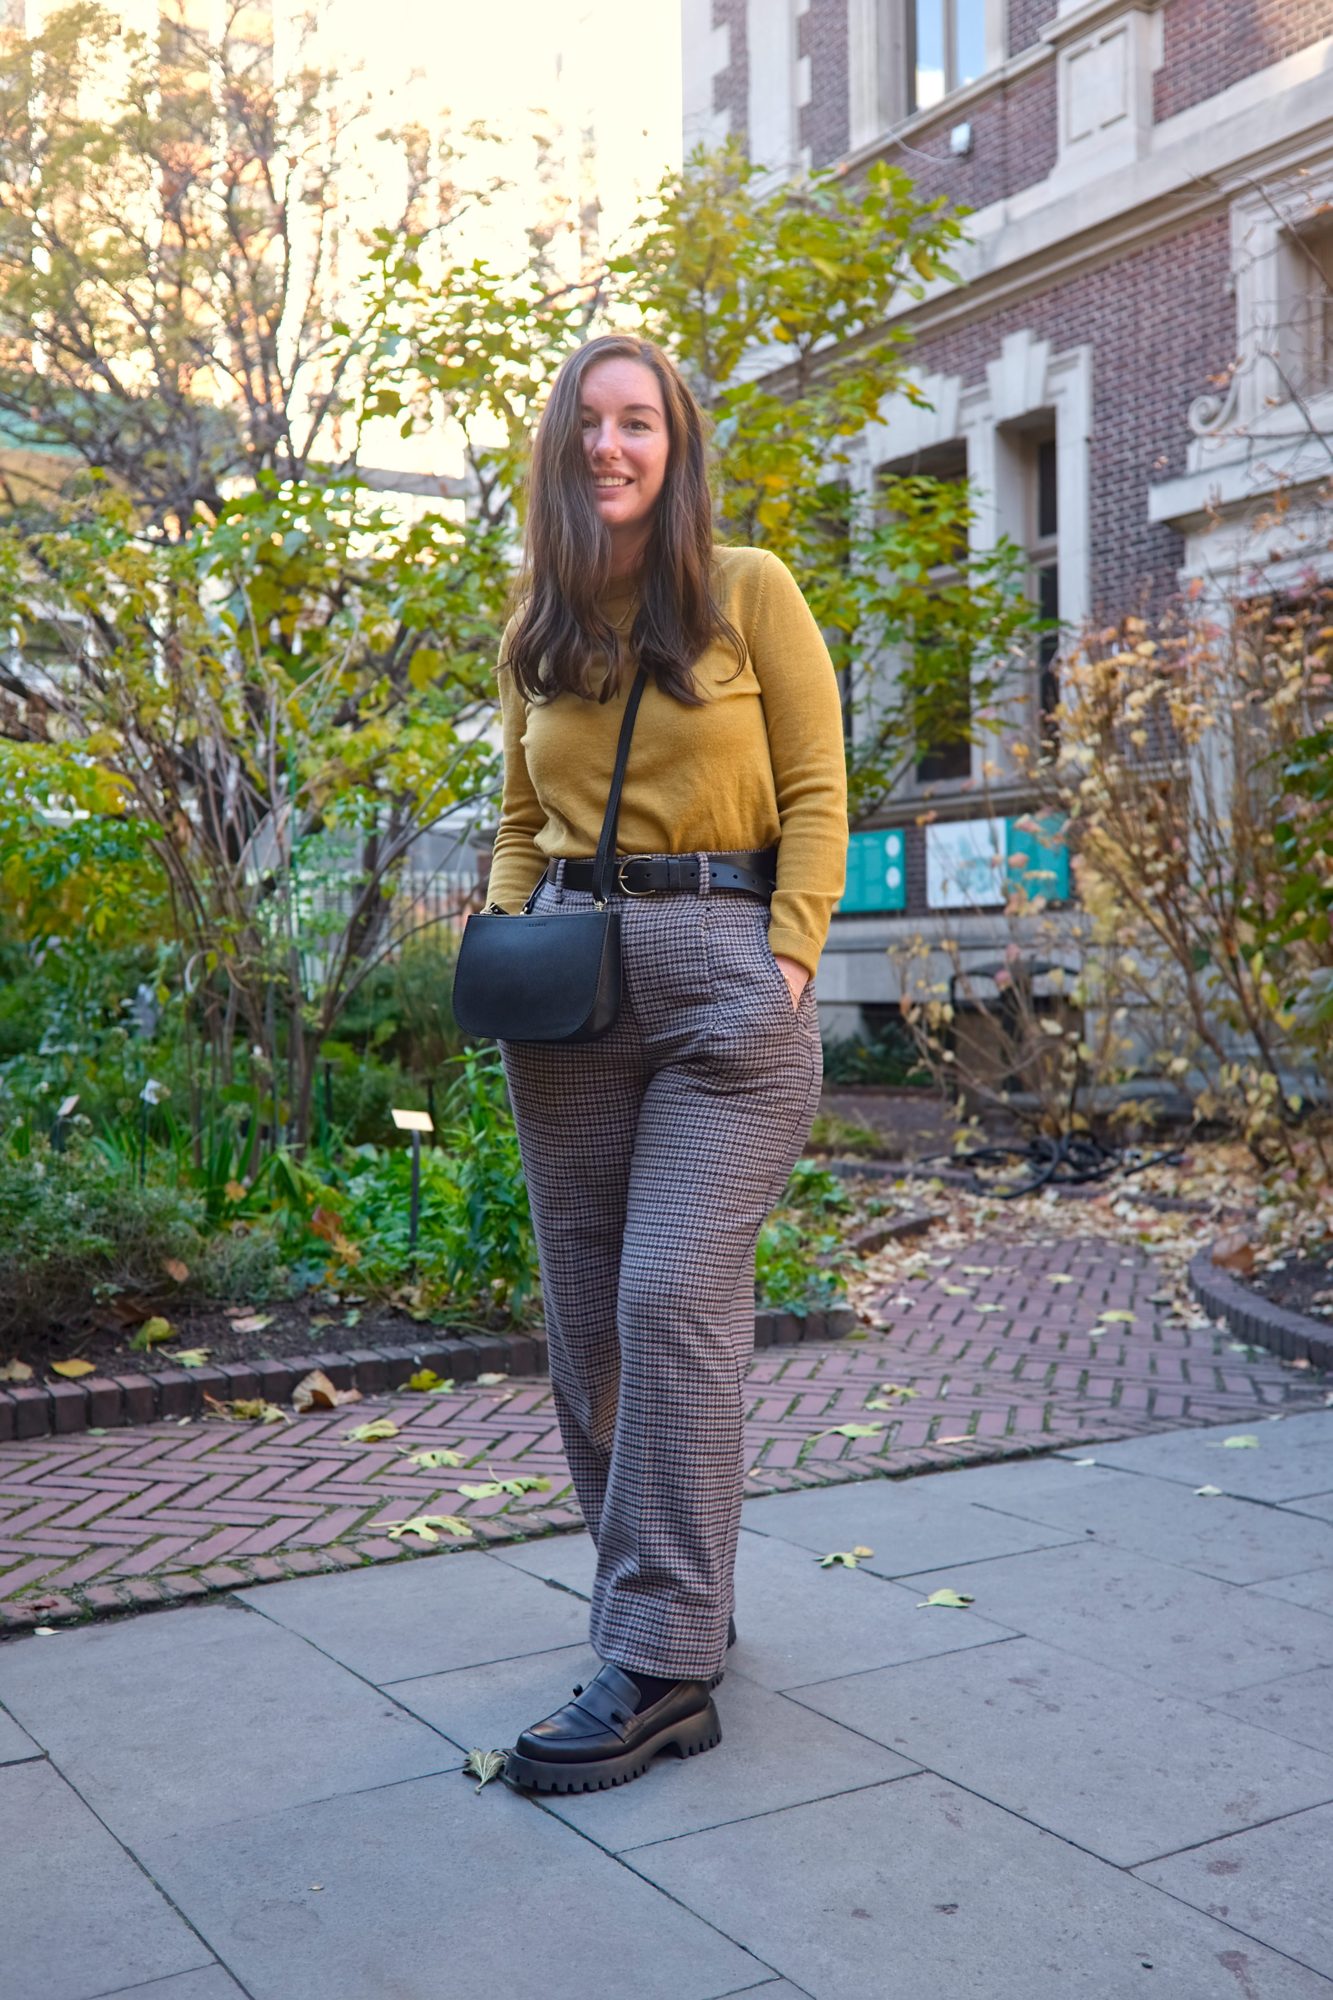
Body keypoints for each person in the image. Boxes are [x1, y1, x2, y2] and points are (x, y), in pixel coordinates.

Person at [482, 331, 848, 1793]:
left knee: (667, 1294)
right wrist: (509, 940)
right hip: (564, 997)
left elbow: (820, 787)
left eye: (638, 423)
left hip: (720, 984)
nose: (612, 447)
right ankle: (669, 1592)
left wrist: (791, 956)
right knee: (586, 1327)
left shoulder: (747, 590)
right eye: (589, 427)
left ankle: (659, 1667)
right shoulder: (537, 625)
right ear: (560, 455)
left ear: (673, 443)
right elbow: (519, 819)